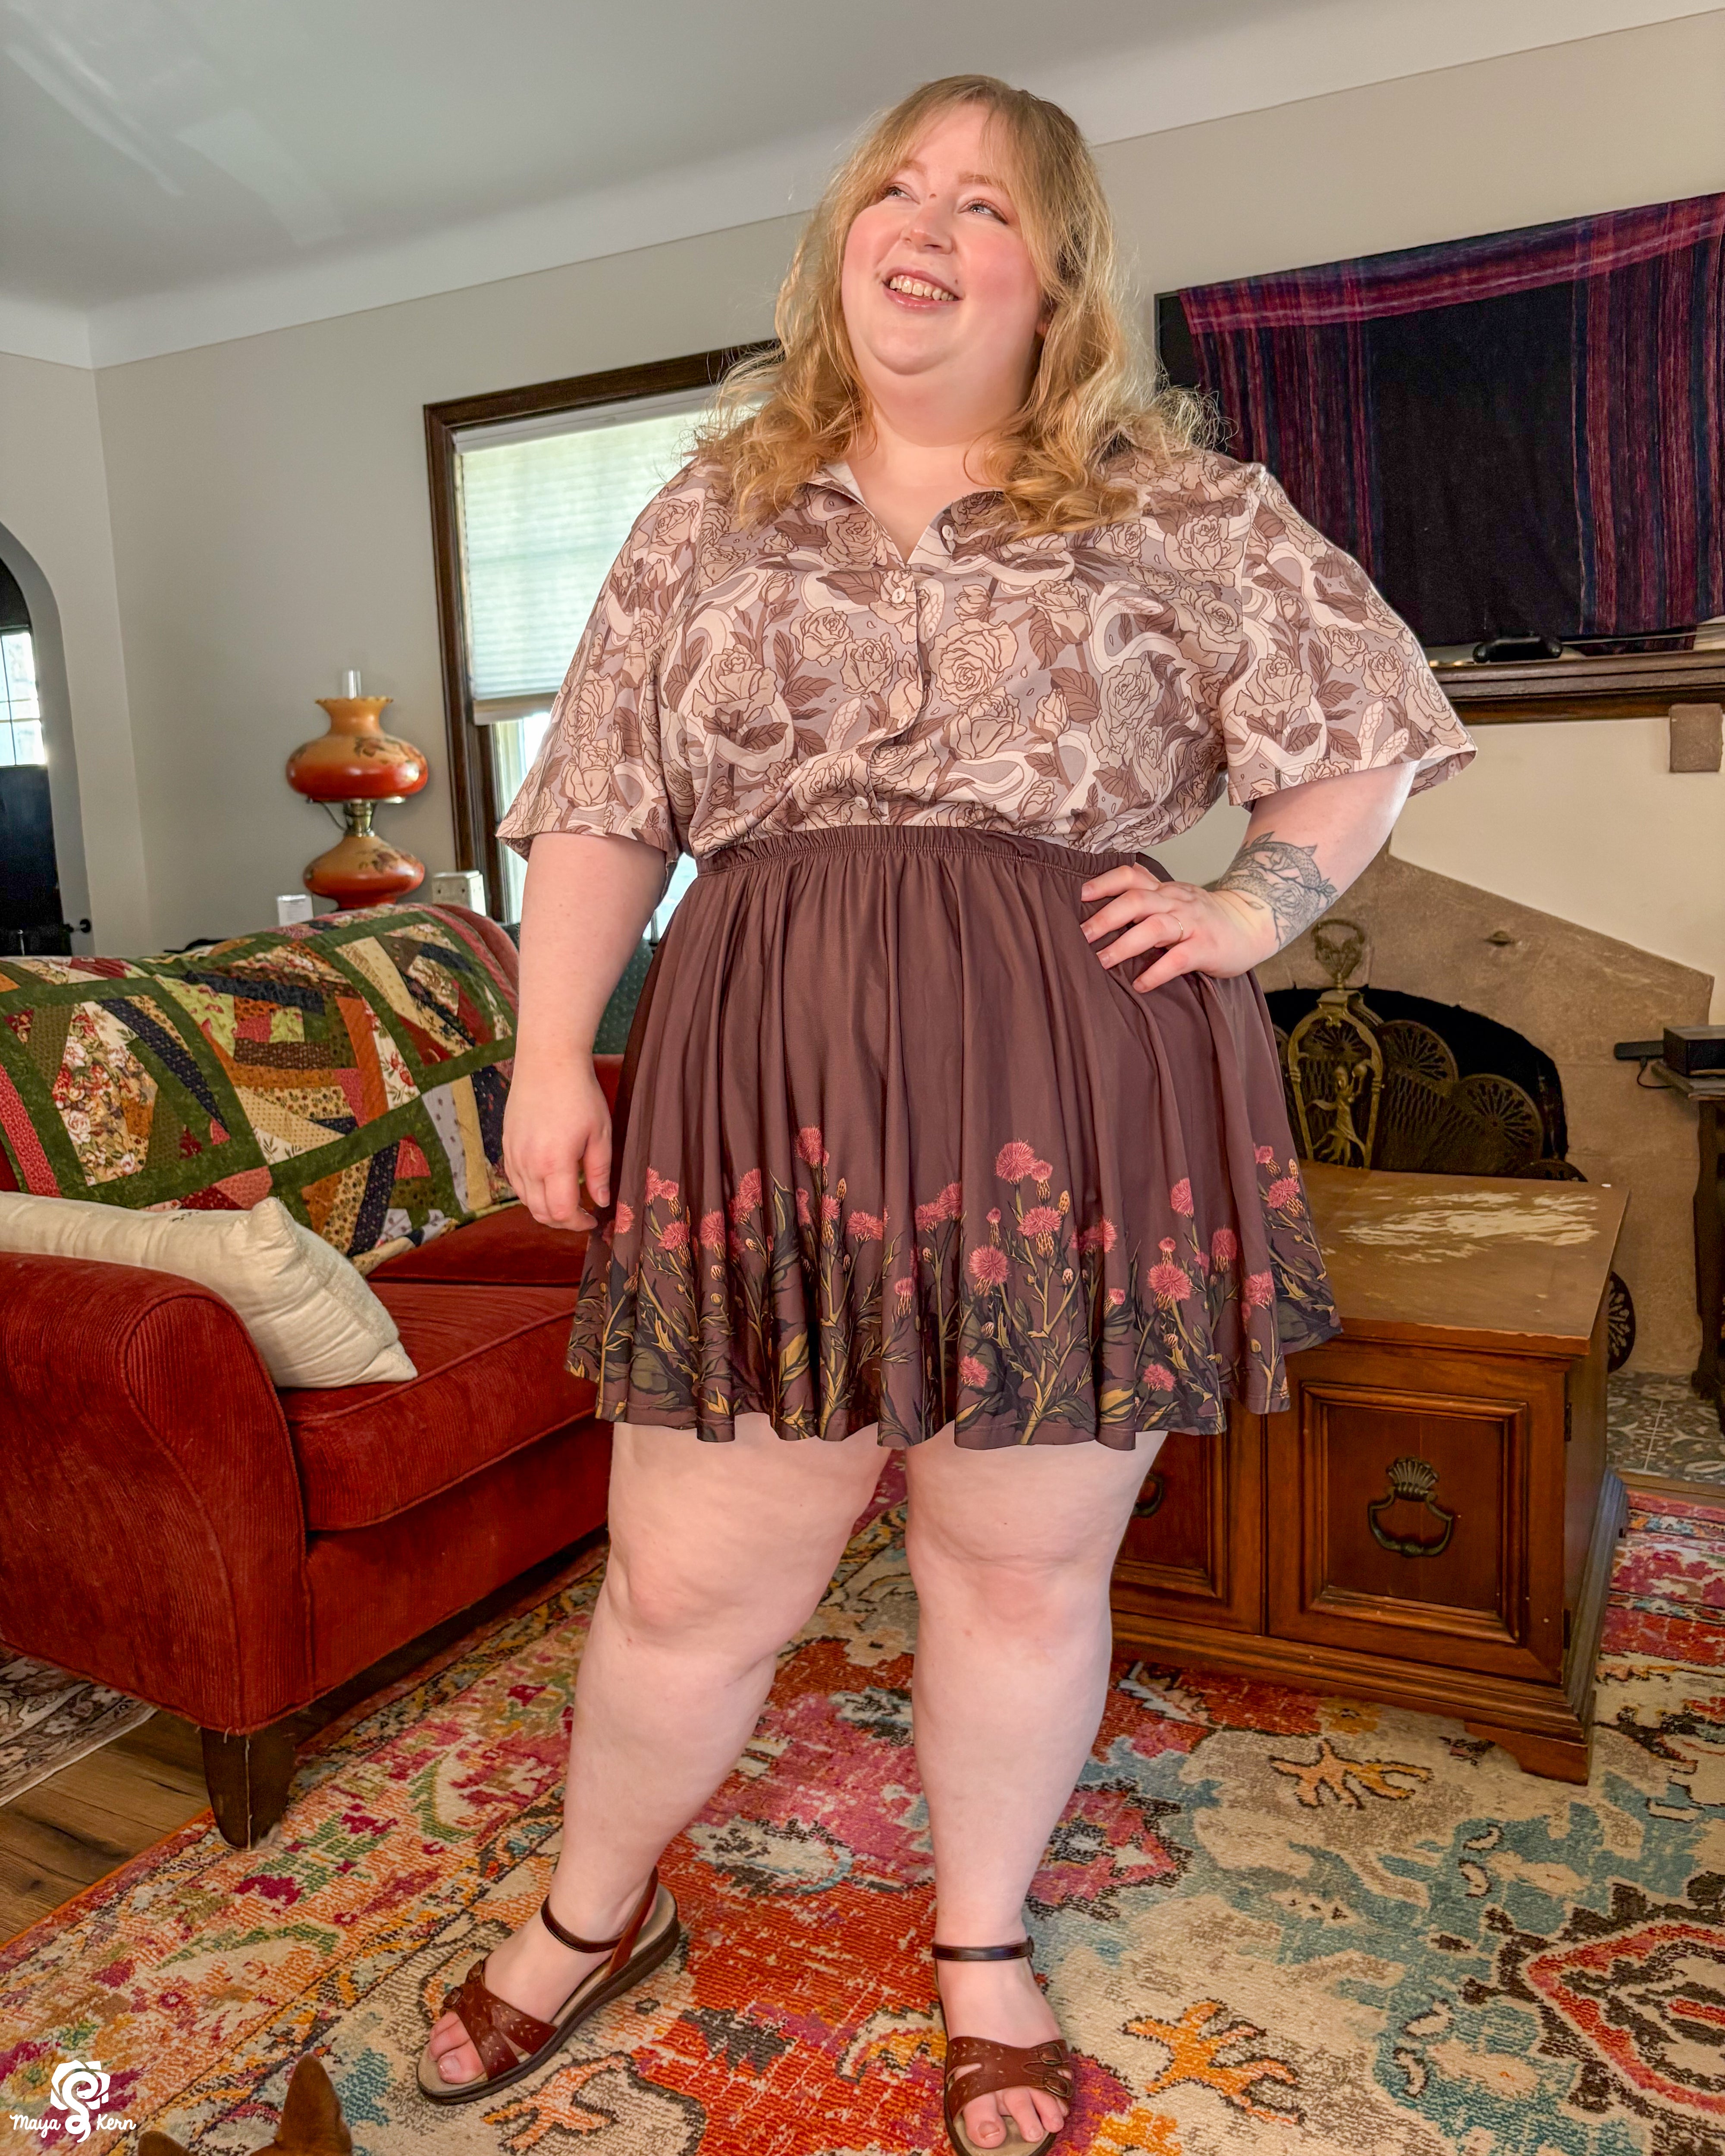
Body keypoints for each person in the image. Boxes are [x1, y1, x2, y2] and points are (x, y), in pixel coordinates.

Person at [416, 73, 1472, 2154]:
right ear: (843, 244)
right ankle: (589, 1909)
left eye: (982, 203)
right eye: (894, 188)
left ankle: (982, 1937)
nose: (922, 222)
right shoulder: (710, 509)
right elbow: (608, 797)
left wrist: (1247, 905)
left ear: (1054, 275)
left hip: (1066, 1079)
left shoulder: (1185, 507)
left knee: (1013, 1567)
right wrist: (545, 1056)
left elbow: (1364, 729)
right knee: (687, 1576)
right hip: (761, 1073)